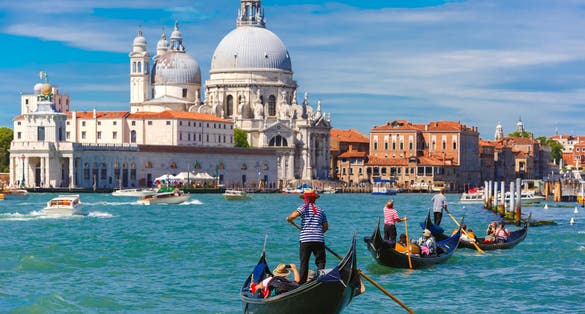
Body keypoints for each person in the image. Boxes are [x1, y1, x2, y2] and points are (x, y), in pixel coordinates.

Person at [286, 189, 328, 284]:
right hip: (318, 239)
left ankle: (302, 283)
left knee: (304, 262)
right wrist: (317, 234)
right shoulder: (321, 210)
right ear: (314, 199)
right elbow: (325, 227)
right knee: (320, 261)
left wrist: (289, 218)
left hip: (305, 240)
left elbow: (293, 216)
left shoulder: (303, 208)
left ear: (305, 199)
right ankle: (320, 280)